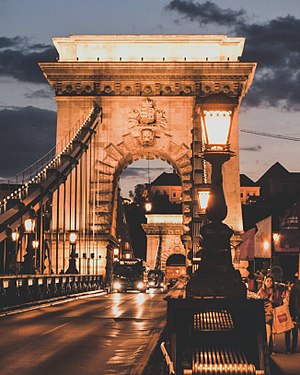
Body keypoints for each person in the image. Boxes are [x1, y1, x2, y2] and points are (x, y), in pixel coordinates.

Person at [257, 274, 283, 354]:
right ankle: (267, 350)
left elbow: (280, 302)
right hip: (266, 314)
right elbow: (258, 302)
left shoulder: (276, 291)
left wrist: (273, 301)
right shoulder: (261, 291)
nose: (269, 282)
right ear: (264, 282)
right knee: (268, 333)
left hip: (274, 314)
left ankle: (270, 349)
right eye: (267, 281)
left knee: (271, 333)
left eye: (271, 281)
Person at [285, 279, 300, 354]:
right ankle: (292, 349)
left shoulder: (295, 287)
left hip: (292, 311)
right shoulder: (297, 287)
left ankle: (288, 348)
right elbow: (295, 302)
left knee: (289, 330)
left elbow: (292, 301)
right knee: (294, 331)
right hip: (295, 312)